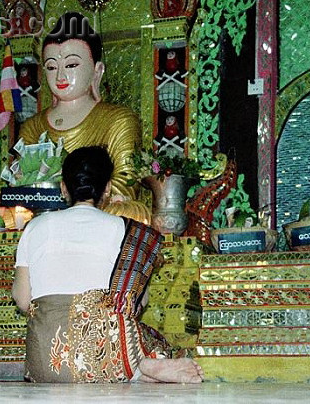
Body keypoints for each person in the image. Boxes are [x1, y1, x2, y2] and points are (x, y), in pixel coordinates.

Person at [12, 146, 204, 383]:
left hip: (43, 364)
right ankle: (140, 366)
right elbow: (135, 304)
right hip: (102, 353)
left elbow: (22, 300)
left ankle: (138, 370)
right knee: (151, 337)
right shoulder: (125, 229)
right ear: (108, 188)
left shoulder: (34, 227)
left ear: (63, 187)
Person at [18, 11, 142, 204]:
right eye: (51, 67)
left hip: (98, 208)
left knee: (125, 210)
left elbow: (126, 183)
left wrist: (81, 202)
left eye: (71, 65)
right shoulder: (32, 127)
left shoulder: (119, 119)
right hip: (42, 209)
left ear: (97, 70)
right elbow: (18, 181)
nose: (60, 76)